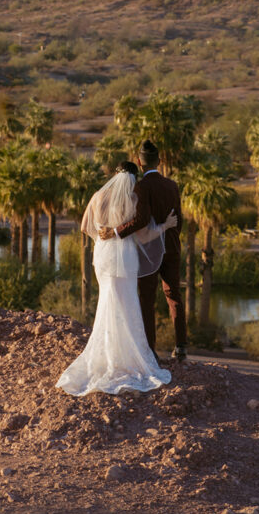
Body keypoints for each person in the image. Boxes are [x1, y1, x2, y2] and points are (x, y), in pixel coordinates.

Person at [56, 162, 177, 396]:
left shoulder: (98, 196)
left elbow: (85, 227)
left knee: (107, 304)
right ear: (132, 179)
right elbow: (143, 238)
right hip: (125, 257)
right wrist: (165, 226)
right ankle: (126, 358)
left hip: (103, 256)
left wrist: (104, 236)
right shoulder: (131, 201)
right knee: (127, 304)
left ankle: (106, 356)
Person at [98, 140, 187, 363]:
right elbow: (180, 220)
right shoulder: (172, 185)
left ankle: (150, 350)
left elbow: (141, 219)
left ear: (139, 162)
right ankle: (181, 347)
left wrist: (116, 232)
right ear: (160, 161)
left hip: (148, 252)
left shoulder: (141, 187)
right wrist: (171, 238)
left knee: (147, 299)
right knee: (174, 295)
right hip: (173, 247)